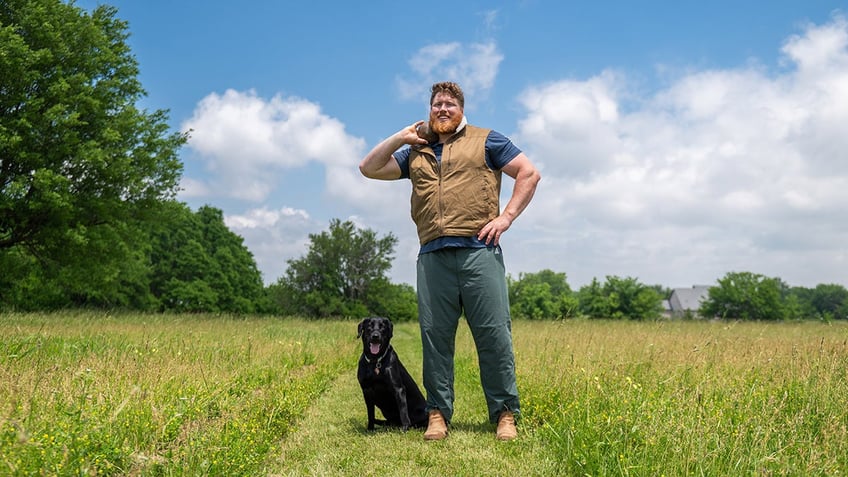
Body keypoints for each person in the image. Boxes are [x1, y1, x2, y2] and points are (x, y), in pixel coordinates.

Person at [359, 81, 541, 441]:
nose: (443, 109)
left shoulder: (487, 140)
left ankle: (505, 415)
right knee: (435, 339)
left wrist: (506, 218)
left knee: (493, 336)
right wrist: (401, 137)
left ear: (461, 110)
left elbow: (529, 173)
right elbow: (368, 167)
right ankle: (437, 415)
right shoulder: (415, 152)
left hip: (479, 252)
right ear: (429, 111)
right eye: (436, 104)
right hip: (432, 258)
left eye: (450, 104)